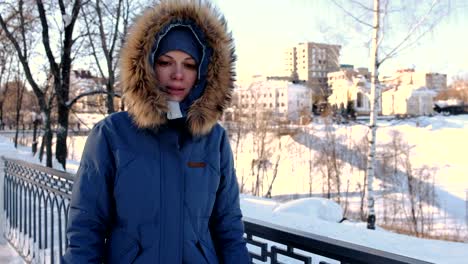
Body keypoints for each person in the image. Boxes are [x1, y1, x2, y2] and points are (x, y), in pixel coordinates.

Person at [62, 0, 250, 263]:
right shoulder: (111, 135)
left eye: (189, 64)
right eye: (165, 62)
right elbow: (86, 228)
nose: (177, 74)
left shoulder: (214, 140)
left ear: (204, 72)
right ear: (147, 66)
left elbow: (228, 227)